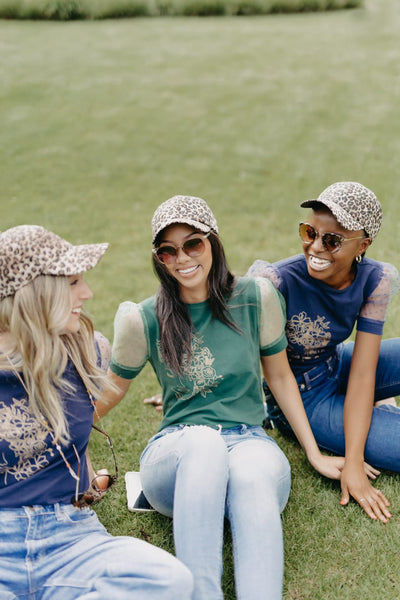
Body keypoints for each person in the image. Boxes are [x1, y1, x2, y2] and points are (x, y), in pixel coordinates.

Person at [97, 195, 346, 600]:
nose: (182, 258)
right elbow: (108, 392)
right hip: (176, 452)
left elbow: (280, 377)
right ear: (159, 258)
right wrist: (51, 437)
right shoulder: (141, 318)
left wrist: (314, 453)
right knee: (203, 441)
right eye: (168, 250)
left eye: (193, 243)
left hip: (248, 439)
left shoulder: (257, 297)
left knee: (249, 474)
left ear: (213, 242)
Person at [0, 225, 193, 600]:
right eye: (72, 283)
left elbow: (74, 430)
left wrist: (86, 479)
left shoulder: (88, 352)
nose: (86, 293)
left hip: (70, 538)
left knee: (170, 581)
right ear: (34, 297)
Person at [247, 181, 400, 523]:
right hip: (300, 400)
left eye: (332, 240)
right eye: (309, 231)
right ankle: (380, 409)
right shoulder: (275, 282)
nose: (316, 247)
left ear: (363, 244)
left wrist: (355, 459)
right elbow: (231, 337)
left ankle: (377, 404)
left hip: (339, 364)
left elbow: (363, 373)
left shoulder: (376, 279)